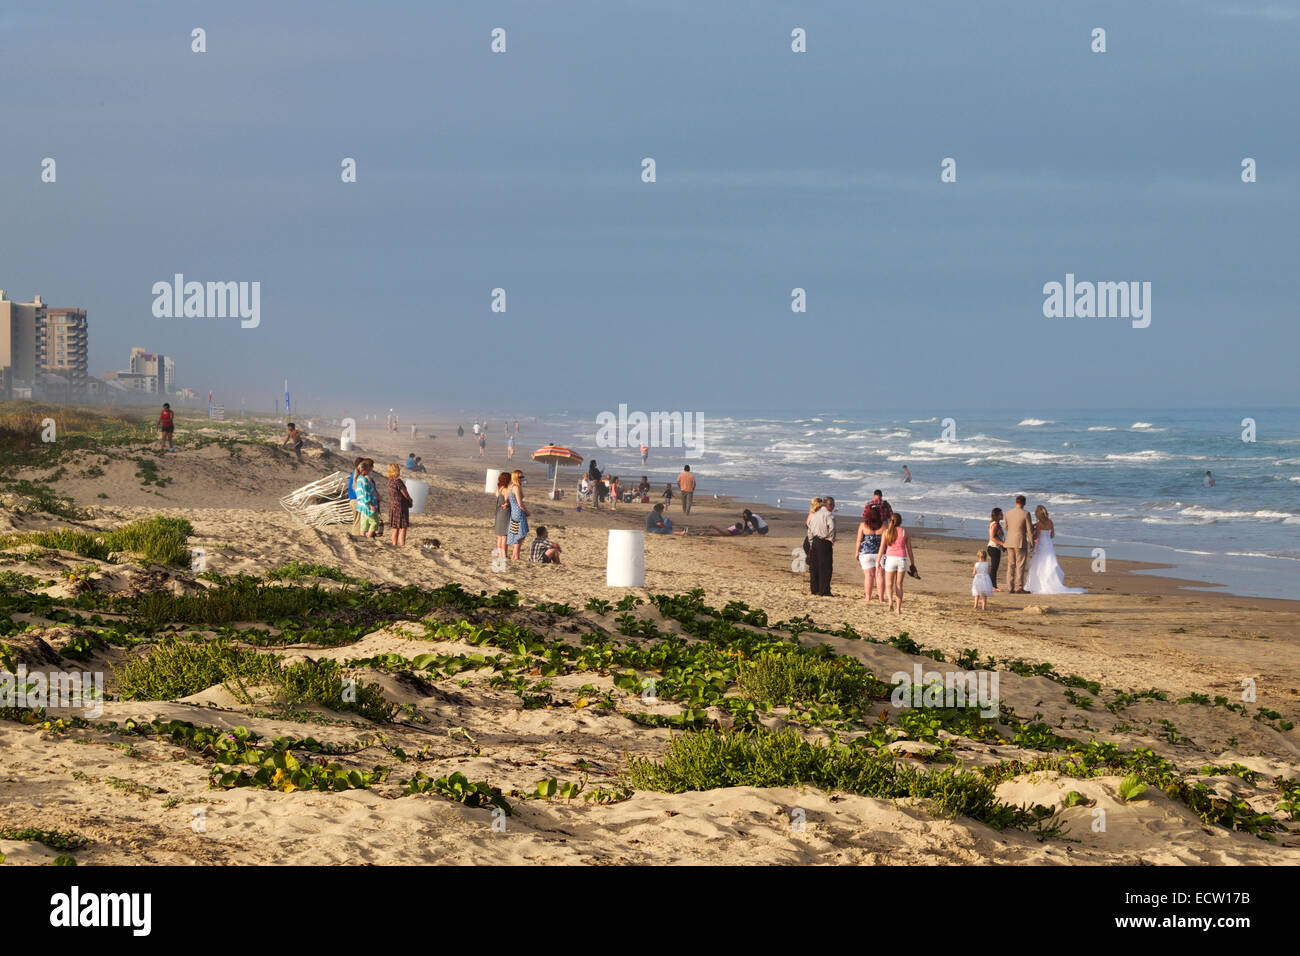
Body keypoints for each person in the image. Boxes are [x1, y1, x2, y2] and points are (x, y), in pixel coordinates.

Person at [1026, 506, 1086, 594]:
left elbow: (1037, 536)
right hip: (1049, 544)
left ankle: (1039, 584)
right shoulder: (1050, 522)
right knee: (1049, 562)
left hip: (1042, 544)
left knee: (1040, 562)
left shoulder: (1038, 524)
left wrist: (1032, 536)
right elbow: (1052, 535)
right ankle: (1051, 582)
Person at [876, 513, 916, 614]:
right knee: (899, 585)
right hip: (901, 559)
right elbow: (910, 550)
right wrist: (913, 563)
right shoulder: (904, 532)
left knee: (889, 584)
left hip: (890, 559)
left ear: (891, 520)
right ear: (900, 521)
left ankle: (890, 601)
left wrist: (878, 561)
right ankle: (898, 609)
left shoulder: (886, 532)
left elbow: (881, 548)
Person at [1003, 495, 1034, 593]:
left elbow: (1006, 527)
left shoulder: (1008, 513)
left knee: (1011, 565)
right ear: (1024, 503)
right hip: (1020, 541)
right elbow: (1029, 530)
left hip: (1009, 540)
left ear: (1016, 502)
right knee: (1020, 564)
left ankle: (1010, 587)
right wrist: (1032, 542)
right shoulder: (1026, 513)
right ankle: (1019, 587)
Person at [807, 496, 835, 596]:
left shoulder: (815, 514)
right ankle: (824, 590)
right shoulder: (828, 515)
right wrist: (831, 539)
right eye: (833, 505)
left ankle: (814, 589)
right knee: (826, 567)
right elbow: (832, 527)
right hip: (824, 541)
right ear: (829, 505)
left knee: (815, 567)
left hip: (814, 541)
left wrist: (811, 542)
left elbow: (809, 530)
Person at [854, 509, 884, 603]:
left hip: (866, 553)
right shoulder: (883, 525)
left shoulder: (863, 525)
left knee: (868, 576)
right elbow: (886, 541)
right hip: (880, 553)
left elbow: (859, 540)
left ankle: (868, 597)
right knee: (880, 575)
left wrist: (856, 552)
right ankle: (881, 598)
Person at [506, 469, 530, 560]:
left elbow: (510, 501)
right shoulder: (516, 487)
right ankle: (516, 555)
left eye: (522, 477)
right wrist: (527, 512)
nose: (522, 479)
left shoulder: (511, 486)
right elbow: (520, 503)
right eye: (520, 477)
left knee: (517, 534)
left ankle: (514, 555)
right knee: (521, 534)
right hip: (518, 513)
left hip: (513, 513)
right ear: (515, 477)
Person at [387, 463, 413, 546]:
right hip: (401, 506)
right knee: (403, 527)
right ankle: (402, 544)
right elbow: (405, 493)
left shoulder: (389, 482)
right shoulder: (398, 481)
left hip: (393, 505)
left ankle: (394, 544)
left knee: (395, 528)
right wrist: (410, 500)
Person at [354, 460, 380, 539]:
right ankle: (368, 538)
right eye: (368, 469)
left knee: (364, 525)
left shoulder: (358, 479)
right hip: (368, 506)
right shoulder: (364, 480)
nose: (370, 471)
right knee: (374, 522)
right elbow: (366, 494)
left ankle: (363, 539)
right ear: (364, 470)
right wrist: (371, 505)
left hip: (362, 505)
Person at [987, 507, 1006, 592]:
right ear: (998, 515)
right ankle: (993, 586)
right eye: (1001, 514)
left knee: (994, 567)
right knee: (994, 568)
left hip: (994, 548)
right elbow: (992, 537)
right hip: (993, 547)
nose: (1003, 515)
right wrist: (1003, 544)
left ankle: (992, 585)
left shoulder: (994, 523)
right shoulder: (995, 524)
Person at [493, 472, 511, 559]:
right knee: (504, 536)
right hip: (505, 513)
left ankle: (500, 554)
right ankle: (503, 555)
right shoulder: (506, 490)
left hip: (499, 513)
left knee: (499, 536)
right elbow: (507, 502)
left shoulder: (498, 489)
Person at [347, 456, 364, 534]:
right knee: (358, 522)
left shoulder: (354, 474)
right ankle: (356, 537)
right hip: (357, 501)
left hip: (353, 500)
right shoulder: (357, 476)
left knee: (356, 521)